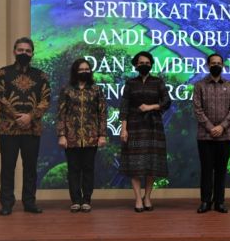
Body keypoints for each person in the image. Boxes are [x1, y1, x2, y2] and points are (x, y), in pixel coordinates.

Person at [0, 37, 51, 216]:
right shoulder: (3, 73)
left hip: (32, 128)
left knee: (31, 167)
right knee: (8, 166)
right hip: (7, 127)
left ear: (32, 53)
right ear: (14, 52)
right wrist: (17, 116)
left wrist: (30, 117)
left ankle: (29, 202)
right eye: (20, 50)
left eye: (27, 50)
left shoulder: (40, 75)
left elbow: (46, 99)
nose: (24, 53)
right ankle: (7, 204)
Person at [119, 51, 170, 212]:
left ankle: (147, 197)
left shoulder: (158, 82)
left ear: (151, 64)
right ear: (135, 65)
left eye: (147, 62)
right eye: (141, 62)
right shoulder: (130, 83)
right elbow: (124, 107)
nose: (144, 65)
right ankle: (137, 199)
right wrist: (123, 129)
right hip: (134, 126)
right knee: (135, 164)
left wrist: (151, 107)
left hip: (153, 126)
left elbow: (167, 101)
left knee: (151, 164)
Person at [56, 58, 108, 213]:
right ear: (75, 71)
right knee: (73, 169)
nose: (84, 71)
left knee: (88, 169)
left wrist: (102, 135)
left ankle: (86, 200)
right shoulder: (67, 89)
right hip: (71, 137)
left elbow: (103, 114)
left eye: (87, 69)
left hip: (91, 136)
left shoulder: (96, 89)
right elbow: (61, 114)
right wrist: (61, 135)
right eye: (81, 69)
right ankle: (75, 200)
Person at [194, 53, 230, 214]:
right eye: (213, 63)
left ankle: (219, 202)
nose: (216, 65)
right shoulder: (199, 85)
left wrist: (222, 127)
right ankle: (205, 201)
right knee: (206, 170)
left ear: (223, 66)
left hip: (225, 136)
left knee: (221, 170)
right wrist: (211, 127)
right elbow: (197, 110)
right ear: (208, 65)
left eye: (219, 63)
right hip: (205, 136)